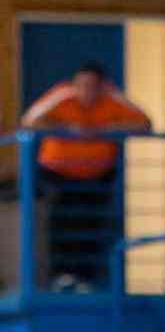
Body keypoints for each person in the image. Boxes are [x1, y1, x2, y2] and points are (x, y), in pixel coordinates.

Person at [20, 61, 151, 289]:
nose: (86, 91)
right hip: (59, 173)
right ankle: (61, 277)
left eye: (92, 86)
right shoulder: (61, 97)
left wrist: (106, 127)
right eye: (81, 85)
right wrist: (68, 128)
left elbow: (145, 124)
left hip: (97, 175)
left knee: (91, 225)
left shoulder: (111, 101)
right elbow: (29, 121)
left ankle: (85, 279)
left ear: (102, 87)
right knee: (61, 223)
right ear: (73, 85)